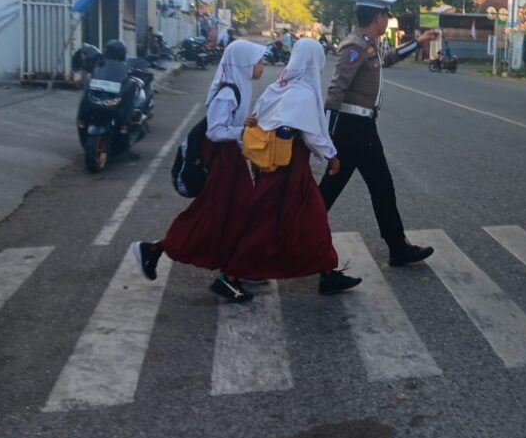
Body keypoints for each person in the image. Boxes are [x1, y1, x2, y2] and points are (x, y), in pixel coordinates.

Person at [130, 40, 268, 302]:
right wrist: (244, 131)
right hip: (224, 164)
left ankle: (160, 251)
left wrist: (246, 129)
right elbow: (215, 131)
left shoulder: (240, 86)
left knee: (226, 215)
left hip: (231, 161)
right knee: (225, 215)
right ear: (244, 63)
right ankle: (228, 277)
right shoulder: (228, 93)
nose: (262, 65)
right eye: (258, 61)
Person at [229, 39, 362, 295]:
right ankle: (233, 272)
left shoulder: (278, 87)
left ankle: (326, 271)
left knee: (311, 218)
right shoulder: (303, 93)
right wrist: (332, 157)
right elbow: (312, 135)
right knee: (268, 221)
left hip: (274, 166)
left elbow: (257, 119)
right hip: (288, 170)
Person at [319, 0, 440, 268]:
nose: (387, 20)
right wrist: (325, 139)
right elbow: (335, 92)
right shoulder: (354, 46)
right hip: (351, 130)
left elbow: (390, 58)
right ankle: (286, 241)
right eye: (386, 16)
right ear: (378, 17)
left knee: (380, 186)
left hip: (363, 129)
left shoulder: (369, 44)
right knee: (331, 191)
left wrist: (418, 42)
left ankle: (397, 247)